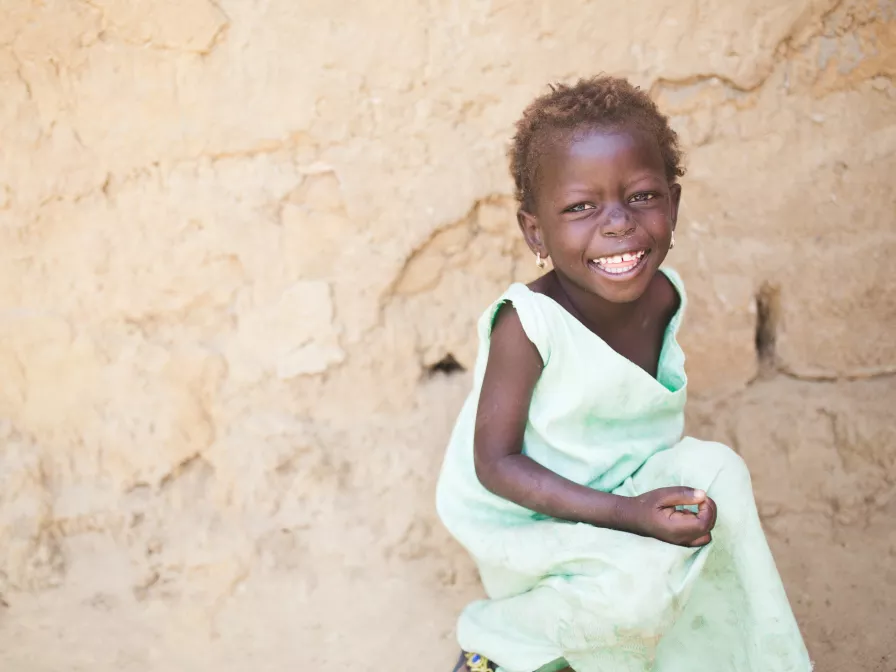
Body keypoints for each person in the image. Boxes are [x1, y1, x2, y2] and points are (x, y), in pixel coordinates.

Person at [435, 76, 811, 672]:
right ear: (535, 231)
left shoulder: (665, 296)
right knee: (637, 588)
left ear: (673, 204)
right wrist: (629, 517)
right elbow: (496, 464)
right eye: (580, 207)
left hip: (623, 489)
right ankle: (498, 641)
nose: (618, 223)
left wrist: (651, 509)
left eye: (641, 197)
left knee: (720, 476)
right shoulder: (528, 325)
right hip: (534, 524)